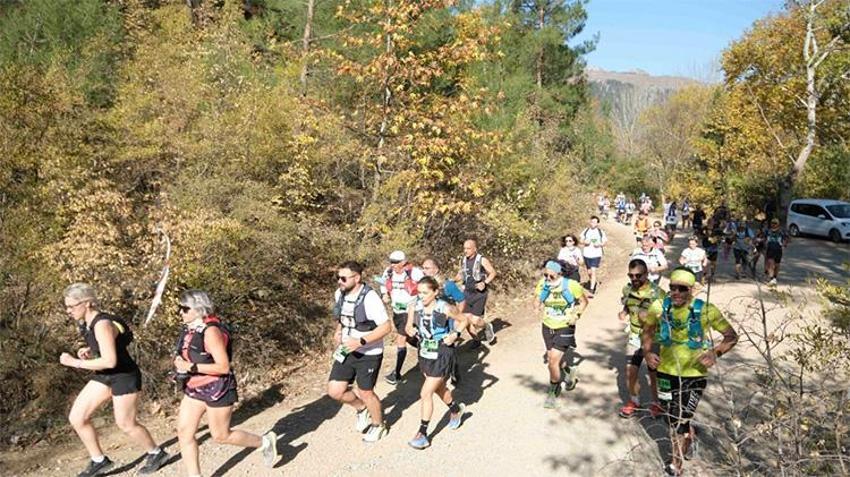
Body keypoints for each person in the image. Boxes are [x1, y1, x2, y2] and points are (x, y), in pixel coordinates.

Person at [60, 283, 169, 477]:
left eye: (72, 306)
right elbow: (106, 349)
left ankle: (156, 453)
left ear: (87, 303)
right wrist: (89, 351)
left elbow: (110, 361)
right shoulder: (86, 322)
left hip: (124, 376)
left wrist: (74, 362)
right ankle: (99, 460)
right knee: (77, 417)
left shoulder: (102, 324)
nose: (68, 311)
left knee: (126, 423)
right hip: (105, 376)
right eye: (66, 306)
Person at [642, 268, 738, 476]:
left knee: (680, 418)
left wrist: (715, 353)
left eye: (681, 289)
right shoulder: (659, 306)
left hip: (694, 375)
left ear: (691, 289)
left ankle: (675, 464)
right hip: (666, 372)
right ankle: (689, 438)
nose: (675, 292)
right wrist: (647, 353)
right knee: (672, 418)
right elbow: (647, 331)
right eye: (672, 288)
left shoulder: (706, 310)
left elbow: (731, 335)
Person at [173, 290, 278, 477]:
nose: (180, 312)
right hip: (194, 386)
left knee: (221, 436)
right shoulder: (189, 328)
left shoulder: (211, 331)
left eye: (184, 308)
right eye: (179, 308)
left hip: (217, 387)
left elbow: (223, 367)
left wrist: (189, 366)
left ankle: (264, 442)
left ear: (198, 309)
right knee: (184, 432)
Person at [328, 261, 392, 442]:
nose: (339, 281)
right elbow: (343, 316)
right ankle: (361, 409)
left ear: (357, 278)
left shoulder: (370, 298)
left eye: (343, 278)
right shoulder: (339, 294)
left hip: (369, 352)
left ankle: (379, 425)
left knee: (365, 391)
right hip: (347, 350)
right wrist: (339, 330)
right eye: (337, 277)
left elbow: (387, 327)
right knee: (335, 391)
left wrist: (361, 341)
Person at [405, 277, 469, 449]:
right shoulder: (414, 306)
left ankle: (422, 434)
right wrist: (410, 330)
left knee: (426, 393)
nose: (422, 296)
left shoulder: (445, 307)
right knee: (438, 387)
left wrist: (455, 334)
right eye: (419, 292)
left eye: (425, 293)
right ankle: (456, 410)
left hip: (442, 352)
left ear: (435, 292)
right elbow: (407, 327)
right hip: (425, 352)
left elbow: (463, 320)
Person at [535, 260, 588, 409]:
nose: (547, 278)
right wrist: (536, 305)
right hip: (547, 325)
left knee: (552, 361)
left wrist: (576, 315)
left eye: (551, 276)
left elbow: (583, 302)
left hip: (565, 326)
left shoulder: (571, 285)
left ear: (559, 273)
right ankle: (569, 371)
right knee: (554, 360)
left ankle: (553, 390)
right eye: (545, 275)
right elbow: (537, 297)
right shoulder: (543, 283)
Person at [617, 259, 666, 418]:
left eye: (638, 275)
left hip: (653, 337)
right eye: (631, 276)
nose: (634, 279)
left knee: (653, 373)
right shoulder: (627, 289)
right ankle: (634, 402)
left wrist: (651, 318)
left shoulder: (657, 292)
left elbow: (666, 316)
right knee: (630, 371)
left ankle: (657, 403)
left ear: (646, 274)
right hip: (634, 335)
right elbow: (627, 303)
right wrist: (624, 312)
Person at [381, 251, 424, 386]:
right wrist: (385, 295)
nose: (393, 265)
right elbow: (383, 284)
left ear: (403, 262)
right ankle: (427, 349)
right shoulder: (388, 272)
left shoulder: (414, 272)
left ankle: (397, 373)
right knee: (411, 338)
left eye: (396, 262)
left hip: (411, 310)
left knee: (401, 339)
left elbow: (425, 286)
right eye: (391, 262)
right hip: (397, 311)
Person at [455, 239, 497, 348]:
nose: (465, 251)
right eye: (464, 248)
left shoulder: (482, 260)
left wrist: (485, 282)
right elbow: (461, 273)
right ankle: (476, 340)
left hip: (479, 294)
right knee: (465, 318)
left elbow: (493, 272)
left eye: (468, 248)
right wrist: (454, 280)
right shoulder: (463, 260)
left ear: (475, 249)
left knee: (474, 320)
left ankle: (487, 326)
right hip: (467, 293)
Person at [581, 216, 608, 294]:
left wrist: (599, 244)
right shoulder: (586, 231)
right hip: (586, 254)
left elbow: (605, 242)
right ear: (590, 222)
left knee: (593, 271)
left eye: (595, 222)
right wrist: (585, 242)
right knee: (589, 272)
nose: (593, 223)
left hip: (596, 254)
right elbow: (581, 240)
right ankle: (593, 281)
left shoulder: (600, 232)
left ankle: (592, 289)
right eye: (592, 222)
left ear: (598, 223)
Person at [764, 218, 789, 286]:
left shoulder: (781, 232)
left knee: (777, 265)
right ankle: (771, 278)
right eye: (772, 223)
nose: (774, 224)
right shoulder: (767, 231)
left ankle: (775, 277)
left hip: (778, 249)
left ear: (778, 224)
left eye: (775, 223)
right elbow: (764, 238)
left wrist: (785, 244)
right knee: (771, 263)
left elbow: (787, 238)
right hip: (770, 249)